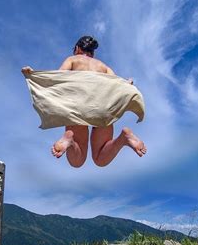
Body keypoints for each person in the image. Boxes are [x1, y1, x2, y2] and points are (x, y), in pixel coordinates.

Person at [21, 36, 146, 167]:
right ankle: (123, 139)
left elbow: (57, 77)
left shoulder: (72, 59)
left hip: (79, 107)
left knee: (77, 161)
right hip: (104, 107)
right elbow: (116, 84)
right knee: (100, 159)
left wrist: (33, 74)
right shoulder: (103, 66)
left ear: (77, 49)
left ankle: (70, 140)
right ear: (92, 53)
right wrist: (127, 84)